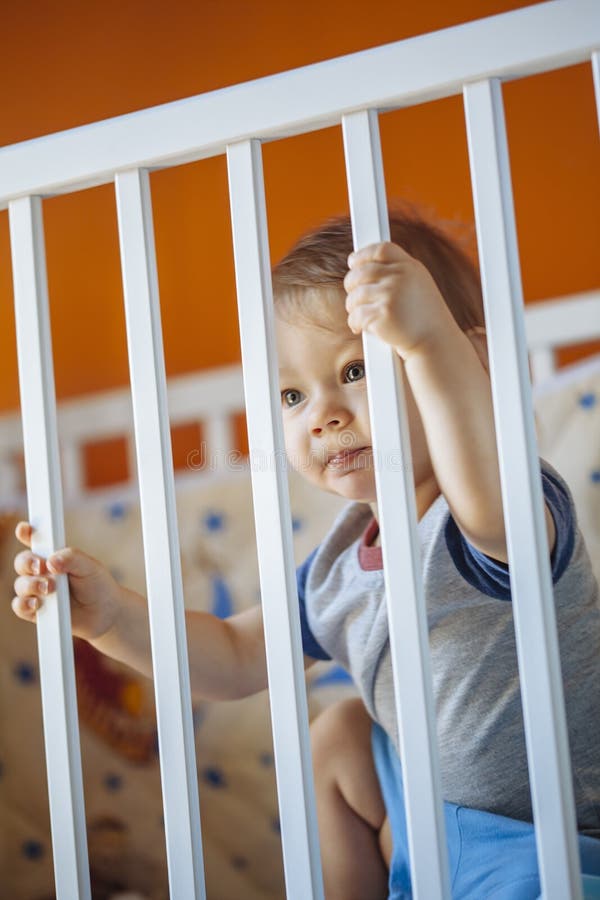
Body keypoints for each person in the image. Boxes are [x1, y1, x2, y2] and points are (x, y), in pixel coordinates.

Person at [12, 211, 600, 899]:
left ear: (472, 361)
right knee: (340, 734)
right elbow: (234, 653)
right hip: (425, 838)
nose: (320, 413)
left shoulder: (500, 509)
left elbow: (481, 480)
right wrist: (113, 618)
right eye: (292, 394)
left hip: (546, 846)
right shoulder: (338, 565)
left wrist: (431, 340)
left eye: (354, 369)